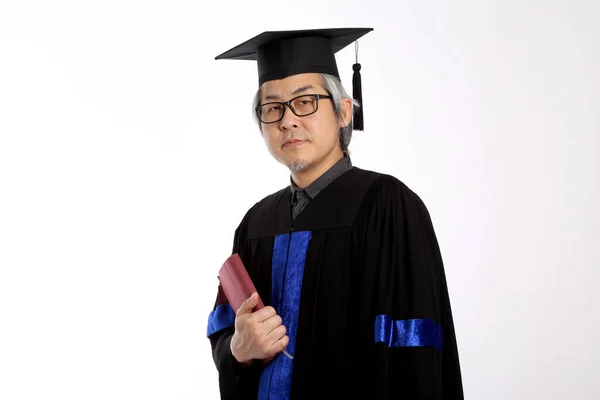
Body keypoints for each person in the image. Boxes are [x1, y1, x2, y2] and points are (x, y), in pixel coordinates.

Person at [206, 27, 464, 399]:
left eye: (305, 101)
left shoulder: (388, 207)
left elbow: (416, 355)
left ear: (344, 111)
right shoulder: (256, 224)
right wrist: (238, 351)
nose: (288, 120)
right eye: (272, 108)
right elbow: (227, 332)